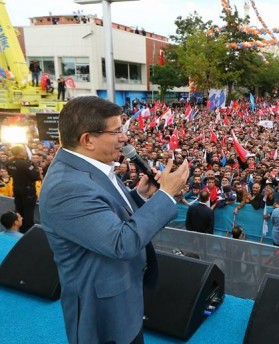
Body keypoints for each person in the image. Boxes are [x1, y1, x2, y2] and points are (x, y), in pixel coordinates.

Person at [39, 96, 189, 344]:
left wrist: (140, 195)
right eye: (117, 131)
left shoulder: (90, 165)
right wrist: (166, 195)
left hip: (122, 294)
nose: (124, 138)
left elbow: (105, 213)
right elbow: (121, 242)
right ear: (88, 140)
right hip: (101, 309)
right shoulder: (67, 187)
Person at [7, 145, 41, 233]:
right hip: (27, 190)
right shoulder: (25, 164)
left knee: (19, 210)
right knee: (28, 212)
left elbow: (10, 173)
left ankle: (19, 230)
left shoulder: (9, 162)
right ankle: (28, 232)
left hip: (16, 188)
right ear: (20, 152)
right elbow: (36, 176)